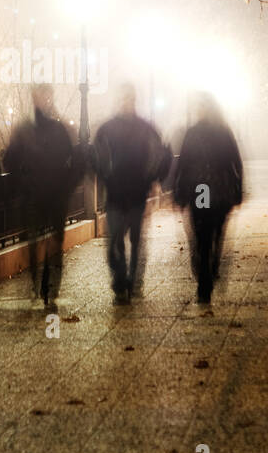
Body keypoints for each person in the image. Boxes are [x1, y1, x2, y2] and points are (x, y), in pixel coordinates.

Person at [92, 83, 170, 305]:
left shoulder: (145, 128)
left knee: (136, 240)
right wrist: (104, 175)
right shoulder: (108, 129)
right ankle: (120, 280)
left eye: (130, 98)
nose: (127, 102)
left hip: (136, 193)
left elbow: (161, 154)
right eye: (124, 98)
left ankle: (132, 281)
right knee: (115, 241)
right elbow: (96, 156)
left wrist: (152, 178)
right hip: (116, 194)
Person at [4, 84, 80, 311]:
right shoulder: (49, 129)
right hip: (42, 195)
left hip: (48, 195)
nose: (42, 100)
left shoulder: (40, 129)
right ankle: (43, 284)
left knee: (48, 241)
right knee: (42, 241)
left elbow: (9, 160)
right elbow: (11, 160)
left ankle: (46, 285)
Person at [173, 92, 243, 305]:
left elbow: (234, 162)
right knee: (208, 234)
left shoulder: (202, 132)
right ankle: (207, 276)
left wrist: (180, 192)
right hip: (210, 190)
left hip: (207, 189)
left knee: (209, 234)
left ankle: (207, 272)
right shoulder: (218, 131)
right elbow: (184, 164)